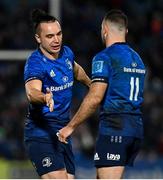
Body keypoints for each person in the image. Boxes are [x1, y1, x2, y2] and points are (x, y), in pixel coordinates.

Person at [58, 9, 146, 179]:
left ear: (104, 29)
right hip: (135, 127)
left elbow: (95, 97)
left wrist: (71, 126)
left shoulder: (104, 57)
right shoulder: (138, 59)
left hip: (115, 127)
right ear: (125, 31)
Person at [24, 9, 91, 179]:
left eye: (59, 34)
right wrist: (44, 97)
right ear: (38, 38)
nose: (56, 40)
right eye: (50, 36)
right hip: (41, 133)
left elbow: (76, 71)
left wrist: (91, 85)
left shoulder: (66, 53)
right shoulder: (35, 63)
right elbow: (32, 92)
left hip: (63, 133)